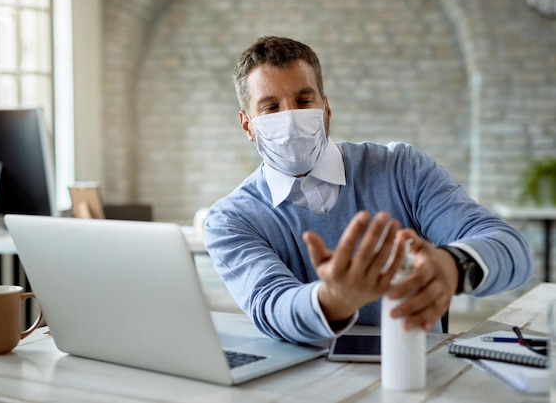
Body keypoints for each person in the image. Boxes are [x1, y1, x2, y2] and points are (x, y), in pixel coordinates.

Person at [203, 36, 532, 344]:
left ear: (326, 109)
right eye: (272, 108)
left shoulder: (401, 169)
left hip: (417, 372)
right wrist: (335, 298)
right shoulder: (231, 220)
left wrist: (452, 266)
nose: (290, 118)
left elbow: (511, 249)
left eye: (304, 101)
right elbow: (270, 303)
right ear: (247, 125)